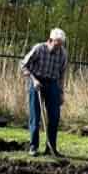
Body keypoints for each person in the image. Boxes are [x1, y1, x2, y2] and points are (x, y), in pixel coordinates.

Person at [20, 28, 68, 157]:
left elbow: (62, 74)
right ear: (50, 40)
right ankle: (33, 147)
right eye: (57, 44)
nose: (59, 47)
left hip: (52, 84)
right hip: (36, 83)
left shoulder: (62, 54)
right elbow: (23, 65)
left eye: (61, 45)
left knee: (54, 117)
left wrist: (61, 92)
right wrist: (34, 80)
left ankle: (51, 147)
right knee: (35, 117)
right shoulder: (39, 49)